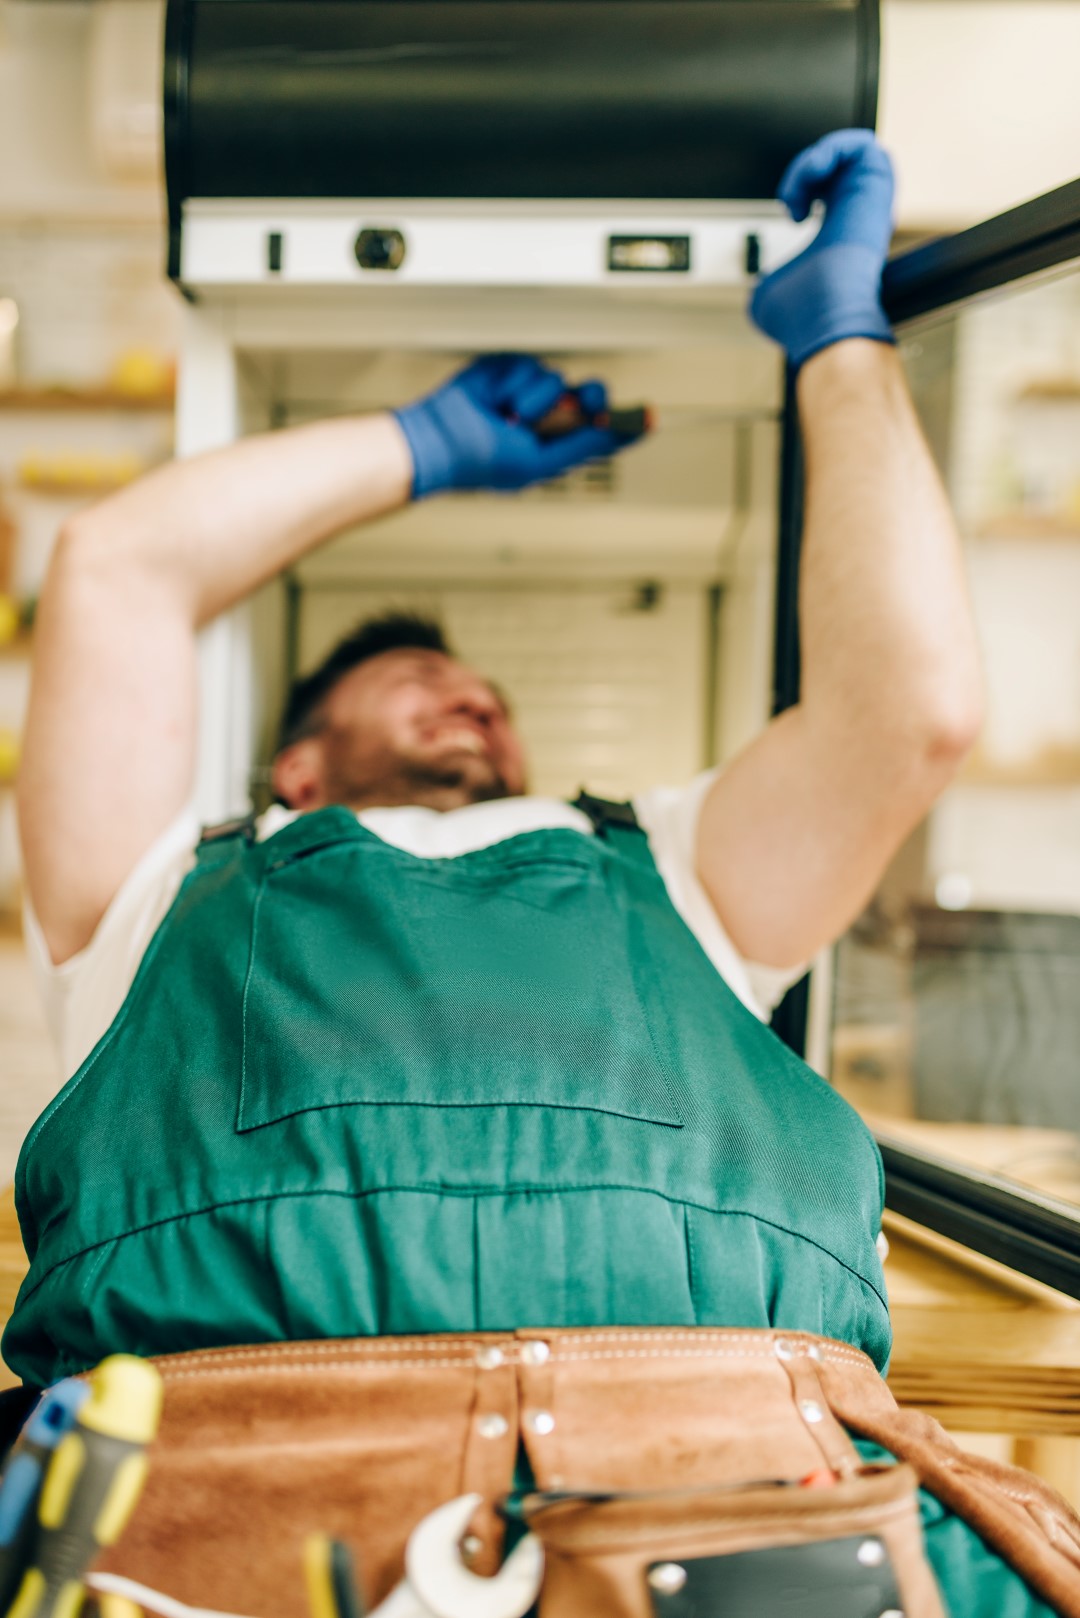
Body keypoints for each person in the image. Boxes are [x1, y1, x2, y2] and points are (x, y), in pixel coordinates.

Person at [6, 131, 1071, 1617]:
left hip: (739, 1479)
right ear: (296, 772)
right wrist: (420, 445)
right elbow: (122, 565)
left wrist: (845, 341)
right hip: (221, 1491)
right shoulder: (147, 891)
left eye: (487, 690)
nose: (473, 698)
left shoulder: (679, 872)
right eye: (415, 675)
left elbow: (912, 711)